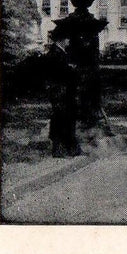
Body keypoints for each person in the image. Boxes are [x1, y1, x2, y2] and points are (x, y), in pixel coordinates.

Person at [45, 27, 82, 157]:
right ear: (61, 39)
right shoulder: (55, 53)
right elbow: (59, 73)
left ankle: (68, 149)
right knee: (61, 119)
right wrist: (72, 70)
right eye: (67, 38)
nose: (69, 41)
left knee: (66, 119)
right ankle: (60, 150)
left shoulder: (60, 52)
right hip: (60, 92)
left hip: (63, 92)